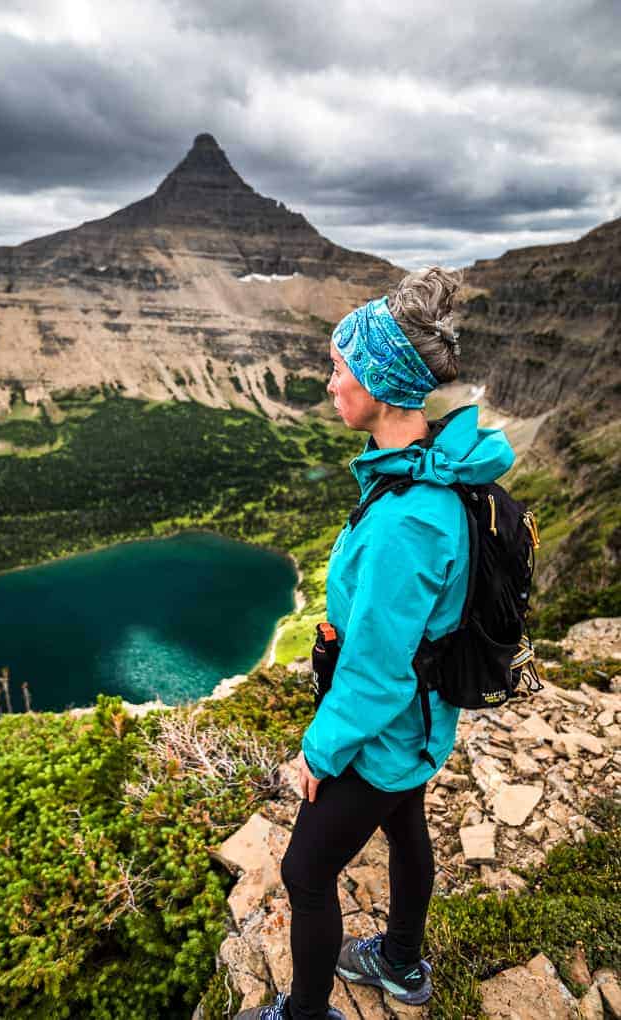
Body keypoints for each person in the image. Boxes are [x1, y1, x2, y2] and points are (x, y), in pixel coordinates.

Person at [235, 267, 516, 1020]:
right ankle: (400, 965)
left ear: (383, 386)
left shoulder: (406, 523)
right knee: (405, 822)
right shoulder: (426, 477)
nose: (331, 385)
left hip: (386, 732)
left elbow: (377, 672)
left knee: (304, 870)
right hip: (419, 729)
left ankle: (306, 1015)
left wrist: (317, 754)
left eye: (340, 370)